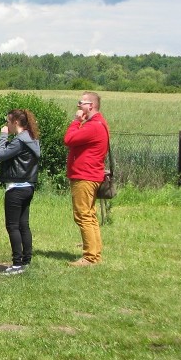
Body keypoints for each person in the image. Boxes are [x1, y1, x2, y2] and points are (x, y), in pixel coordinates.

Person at [63, 91, 109, 266]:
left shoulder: (93, 126)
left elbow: (68, 139)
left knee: (82, 216)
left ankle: (89, 257)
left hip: (85, 177)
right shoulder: (99, 123)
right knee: (90, 216)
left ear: (91, 106)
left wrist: (76, 121)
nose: (78, 106)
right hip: (91, 175)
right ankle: (95, 255)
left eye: (80, 102)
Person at [0, 109, 41, 275]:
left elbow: (0, 155)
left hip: (16, 187)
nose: (7, 125)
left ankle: (16, 264)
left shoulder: (19, 141)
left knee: (12, 226)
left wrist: (3, 136)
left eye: (8, 122)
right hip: (29, 185)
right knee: (23, 225)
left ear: (15, 122)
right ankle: (26, 261)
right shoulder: (32, 138)